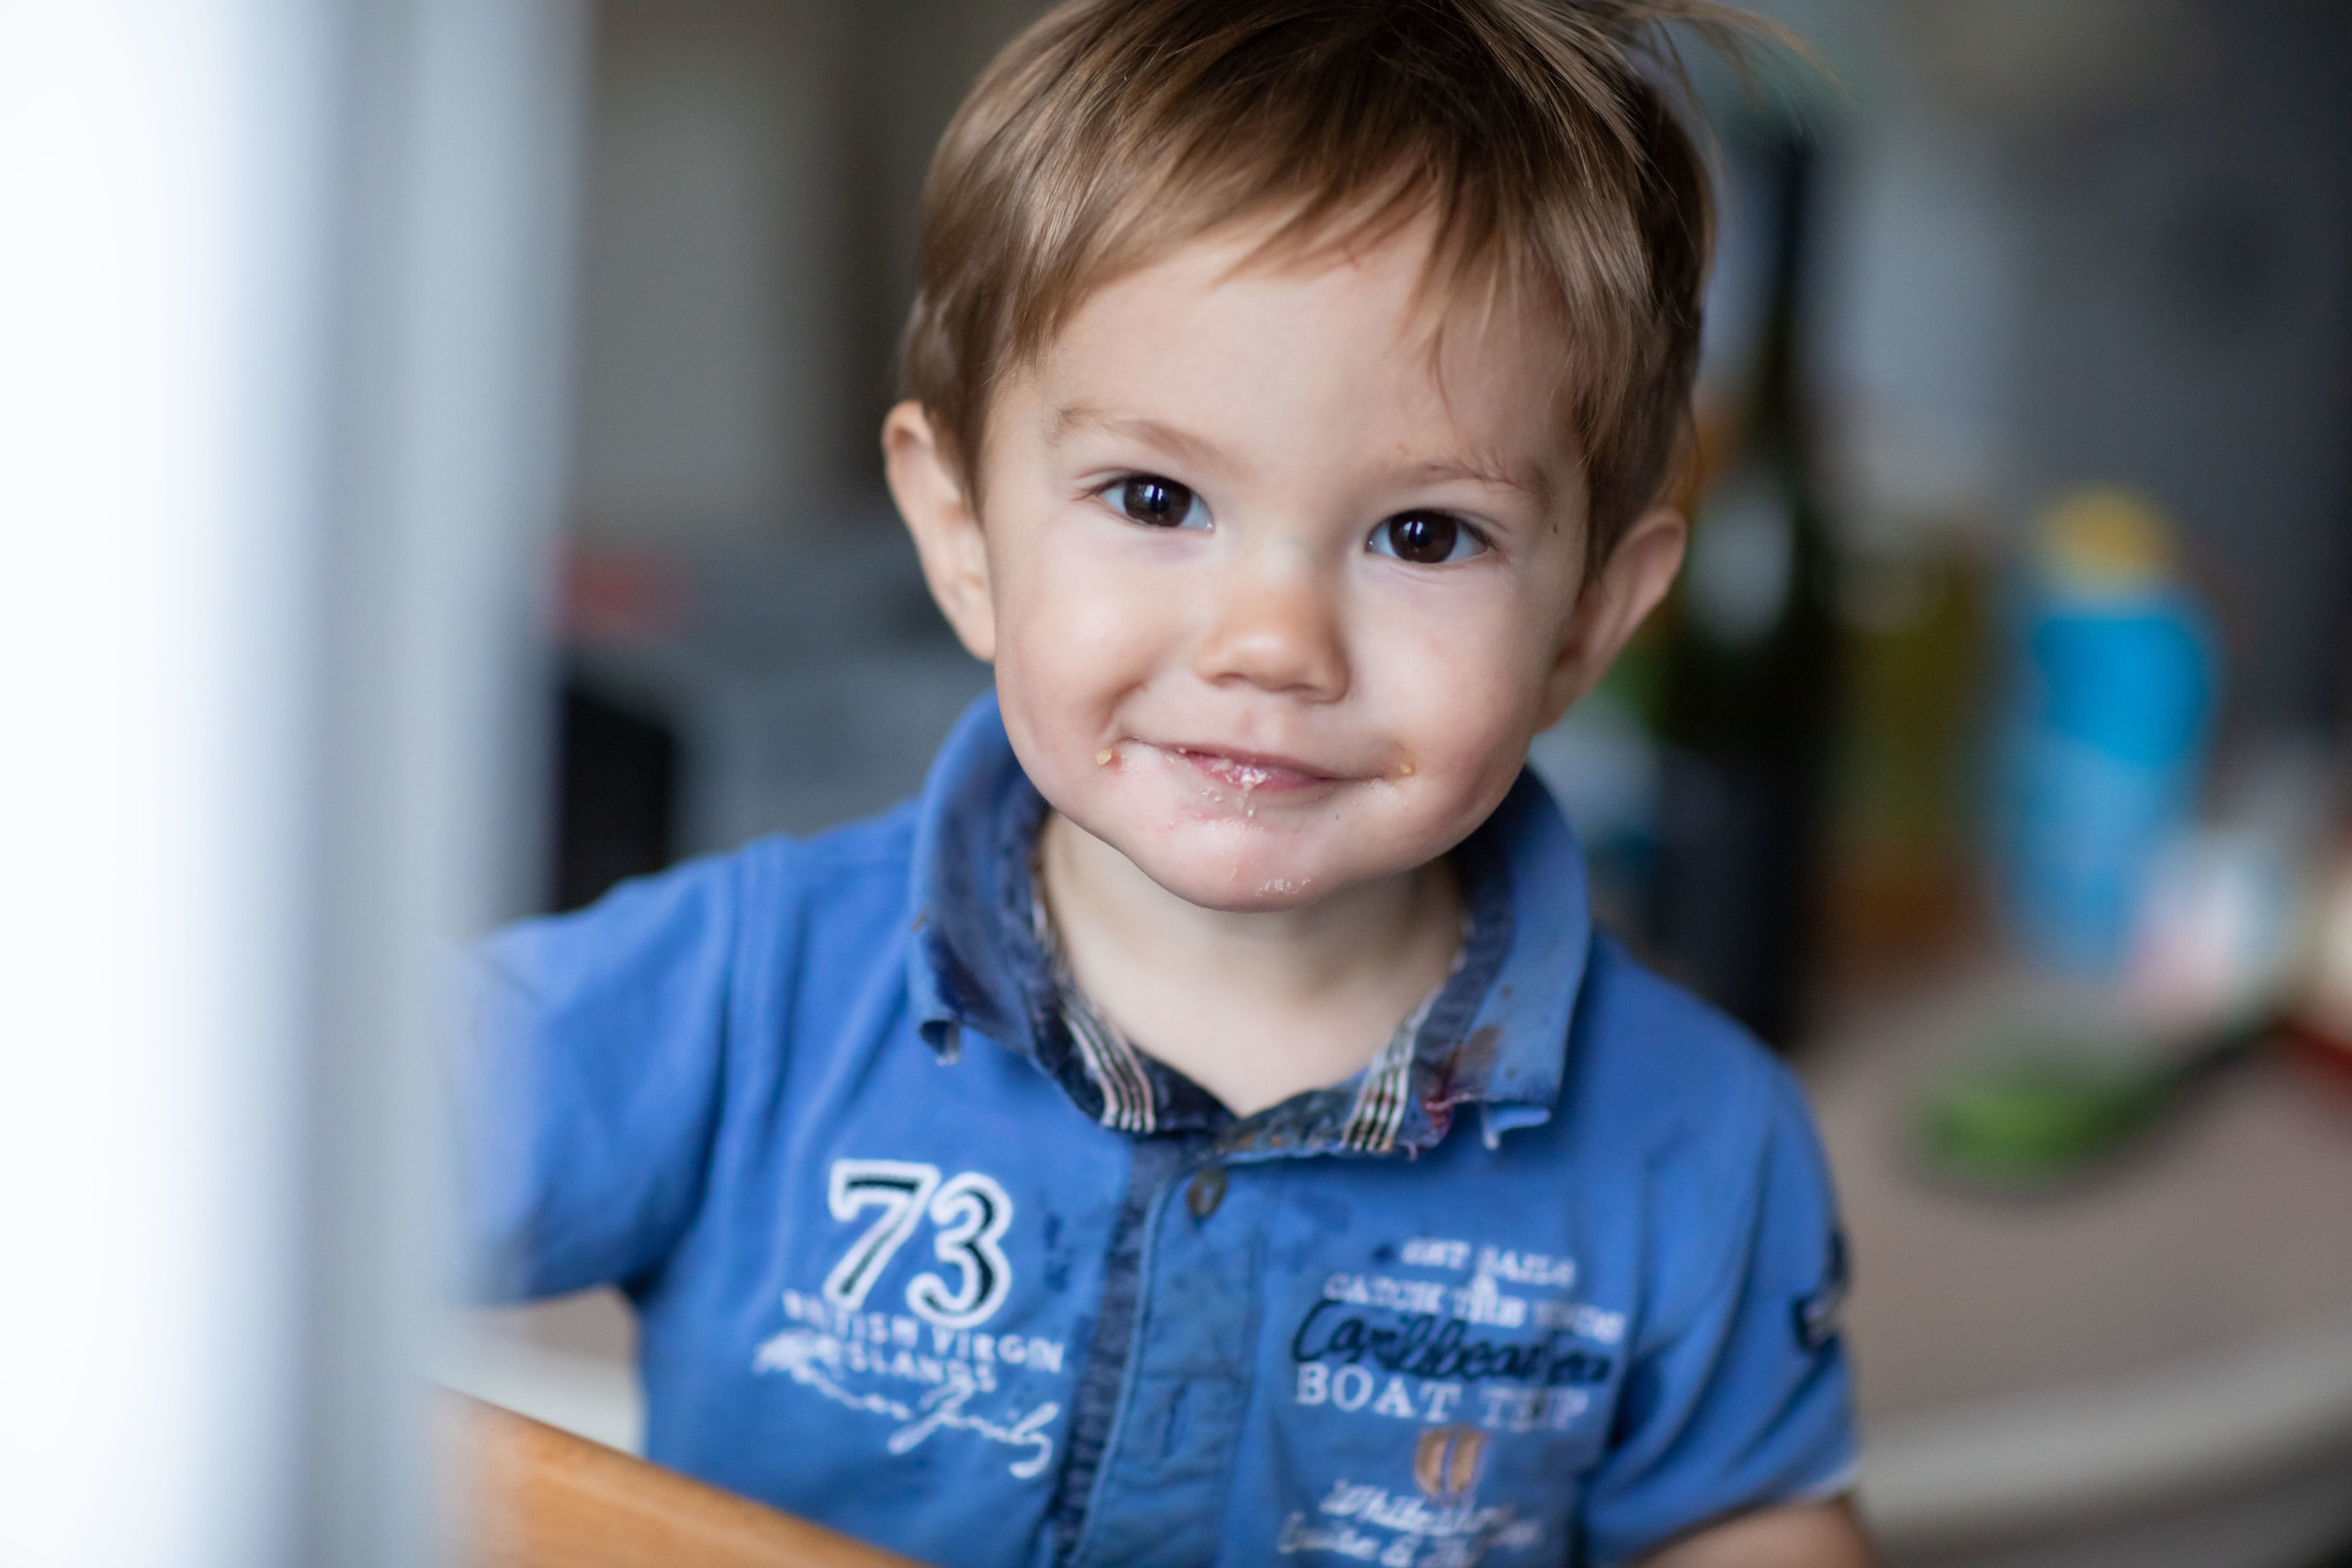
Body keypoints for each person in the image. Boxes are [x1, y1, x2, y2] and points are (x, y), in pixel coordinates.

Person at [456, 3, 1871, 1563]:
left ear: (1589, 621)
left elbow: (1748, 1524)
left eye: (1424, 535)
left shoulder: (1699, 1142)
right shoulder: (738, 997)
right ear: (963, 536)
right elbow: (252, 1175)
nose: (1272, 643)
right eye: (1156, 496)